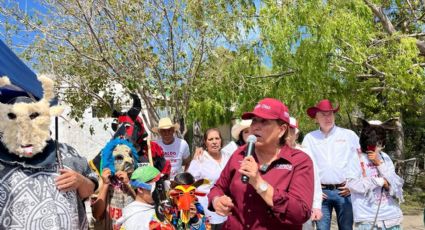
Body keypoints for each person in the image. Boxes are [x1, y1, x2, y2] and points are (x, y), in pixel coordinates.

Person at [0, 76, 98, 229]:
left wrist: (81, 181)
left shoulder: (66, 153)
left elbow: (89, 190)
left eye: (33, 116)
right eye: (13, 117)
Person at [208, 98, 314, 229]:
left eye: (264, 121)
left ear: (281, 130)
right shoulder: (239, 154)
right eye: (254, 121)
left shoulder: (299, 161)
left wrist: (259, 183)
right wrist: (216, 200)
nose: (256, 127)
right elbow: (217, 187)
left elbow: (300, 213)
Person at [302, 99, 361, 230]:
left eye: (330, 114)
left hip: (344, 191)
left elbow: (359, 159)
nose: (327, 117)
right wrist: (313, 190)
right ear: (316, 118)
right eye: (322, 114)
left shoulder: (348, 135)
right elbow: (306, 166)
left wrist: (353, 183)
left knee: (346, 227)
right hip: (321, 193)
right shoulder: (309, 138)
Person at [346, 119, 404, 230]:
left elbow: (396, 186)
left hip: (391, 217)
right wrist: (378, 181)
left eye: (380, 142)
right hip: (367, 219)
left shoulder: (385, 157)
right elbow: (352, 184)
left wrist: (379, 164)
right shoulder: (355, 158)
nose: (377, 145)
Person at [187, 128, 230, 230]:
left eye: (217, 138)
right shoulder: (200, 158)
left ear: (221, 141)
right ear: (205, 143)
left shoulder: (228, 156)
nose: (214, 142)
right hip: (206, 208)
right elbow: (189, 182)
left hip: (226, 207)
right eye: (210, 139)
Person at [91, 139, 138, 230]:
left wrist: (128, 184)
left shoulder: (136, 182)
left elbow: (142, 207)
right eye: (119, 158)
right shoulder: (101, 181)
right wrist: (105, 184)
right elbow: (96, 214)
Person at [287, 117, 323, 229]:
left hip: (302, 206)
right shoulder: (272, 152)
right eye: (285, 131)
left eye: (291, 132)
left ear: (296, 135)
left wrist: (317, 206)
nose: (287, 135)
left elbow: (315, 180)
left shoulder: (305, 153)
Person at [117, 165, 162, 230]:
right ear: (140, 189)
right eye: (155, 186)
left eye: (160, 185)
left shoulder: (154, 207)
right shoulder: (137, 220)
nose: (159, 191)